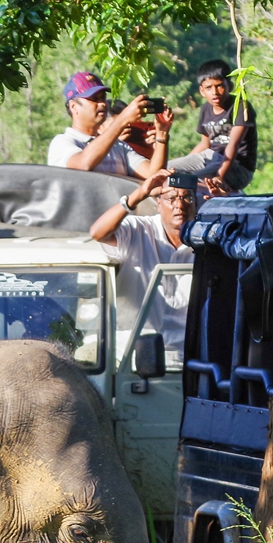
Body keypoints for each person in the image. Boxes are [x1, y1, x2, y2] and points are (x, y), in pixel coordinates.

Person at [89, 170, 197, 351]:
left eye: (187, 198)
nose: (179, 205)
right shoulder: (138, 229)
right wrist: (139, 195)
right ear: (159, 204)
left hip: (181, 357)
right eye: (171, 198)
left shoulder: (205, 241)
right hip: (128, 355)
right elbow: (98, 233)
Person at [47, 72, 161, 178]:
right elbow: (82, 165)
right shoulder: (62, 143)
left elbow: (153, 175)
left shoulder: (119, 147)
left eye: (103, 98)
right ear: (74, 107)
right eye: (94, 99)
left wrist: (162, 136)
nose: (102, 103)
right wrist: (123, 119)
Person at [166, 60, 256, 194]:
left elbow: (233, 144)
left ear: (230, 86)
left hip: (237, 168)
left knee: (193, 181)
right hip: (210, 158)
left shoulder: (240, 106)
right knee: (166, 170)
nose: (215, 92)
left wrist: (220, 175)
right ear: (202, 91)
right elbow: (204, 144)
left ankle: (232, 195)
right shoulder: (205, 109)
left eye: (219, 86)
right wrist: (185, 164)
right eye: (209, 88)